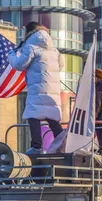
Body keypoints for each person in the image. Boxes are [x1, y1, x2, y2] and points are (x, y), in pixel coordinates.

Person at [7, 21, 65, 155]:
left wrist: (11, 54)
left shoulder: (31, 47)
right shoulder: (54, 51)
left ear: (28, 33)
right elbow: (60, 66)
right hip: (53, 89)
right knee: (52, 117)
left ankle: (37, 146)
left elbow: (18, 65)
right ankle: (62, 143)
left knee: (33, 115)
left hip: (37, 88)